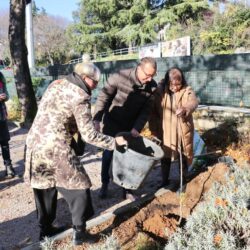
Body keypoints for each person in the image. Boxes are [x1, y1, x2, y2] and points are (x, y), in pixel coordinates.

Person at [24, 57, 126, 245]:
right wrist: (114, 143)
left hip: (34, 142)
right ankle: (80, 233)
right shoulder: (81, 96)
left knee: (44, 187)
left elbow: (59, 113)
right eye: (94, 82)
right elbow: (90, 136)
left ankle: (45, 233)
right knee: (79, 187)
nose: (95, 86)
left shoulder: (57, 83)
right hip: (55, 148)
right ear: (85, 77)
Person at [93, 57, 157, 200]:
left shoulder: (152, 87)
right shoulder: (119, 77)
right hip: (111, 124)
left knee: (129, 158)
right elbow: (104, 97)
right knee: (108, 155)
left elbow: (146, 111)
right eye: (147, 75)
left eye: (153, 75)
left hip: (129, 127)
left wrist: (137, 128)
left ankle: (127, 188)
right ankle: (105, 184)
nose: (150, 79)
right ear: (139, 68)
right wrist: (97, 119)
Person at [149, 67, 199, 187]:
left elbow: (193, 102)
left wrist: (186, 109)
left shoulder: (187, 90)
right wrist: (154, 129)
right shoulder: (159, 91)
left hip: (182, 130)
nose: (176, 87)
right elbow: (153, 112)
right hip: (166, 130)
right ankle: (164, 180)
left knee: (184, 156)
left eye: (178, 84)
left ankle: (184, 180)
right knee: (165, 156)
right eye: (173, 84)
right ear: (167, 82)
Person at [0, 71, 16, 178]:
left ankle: (9, 167)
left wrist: (4, 97)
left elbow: (7, 95)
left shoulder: (0, 76)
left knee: (4, 142)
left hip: (1, 115)